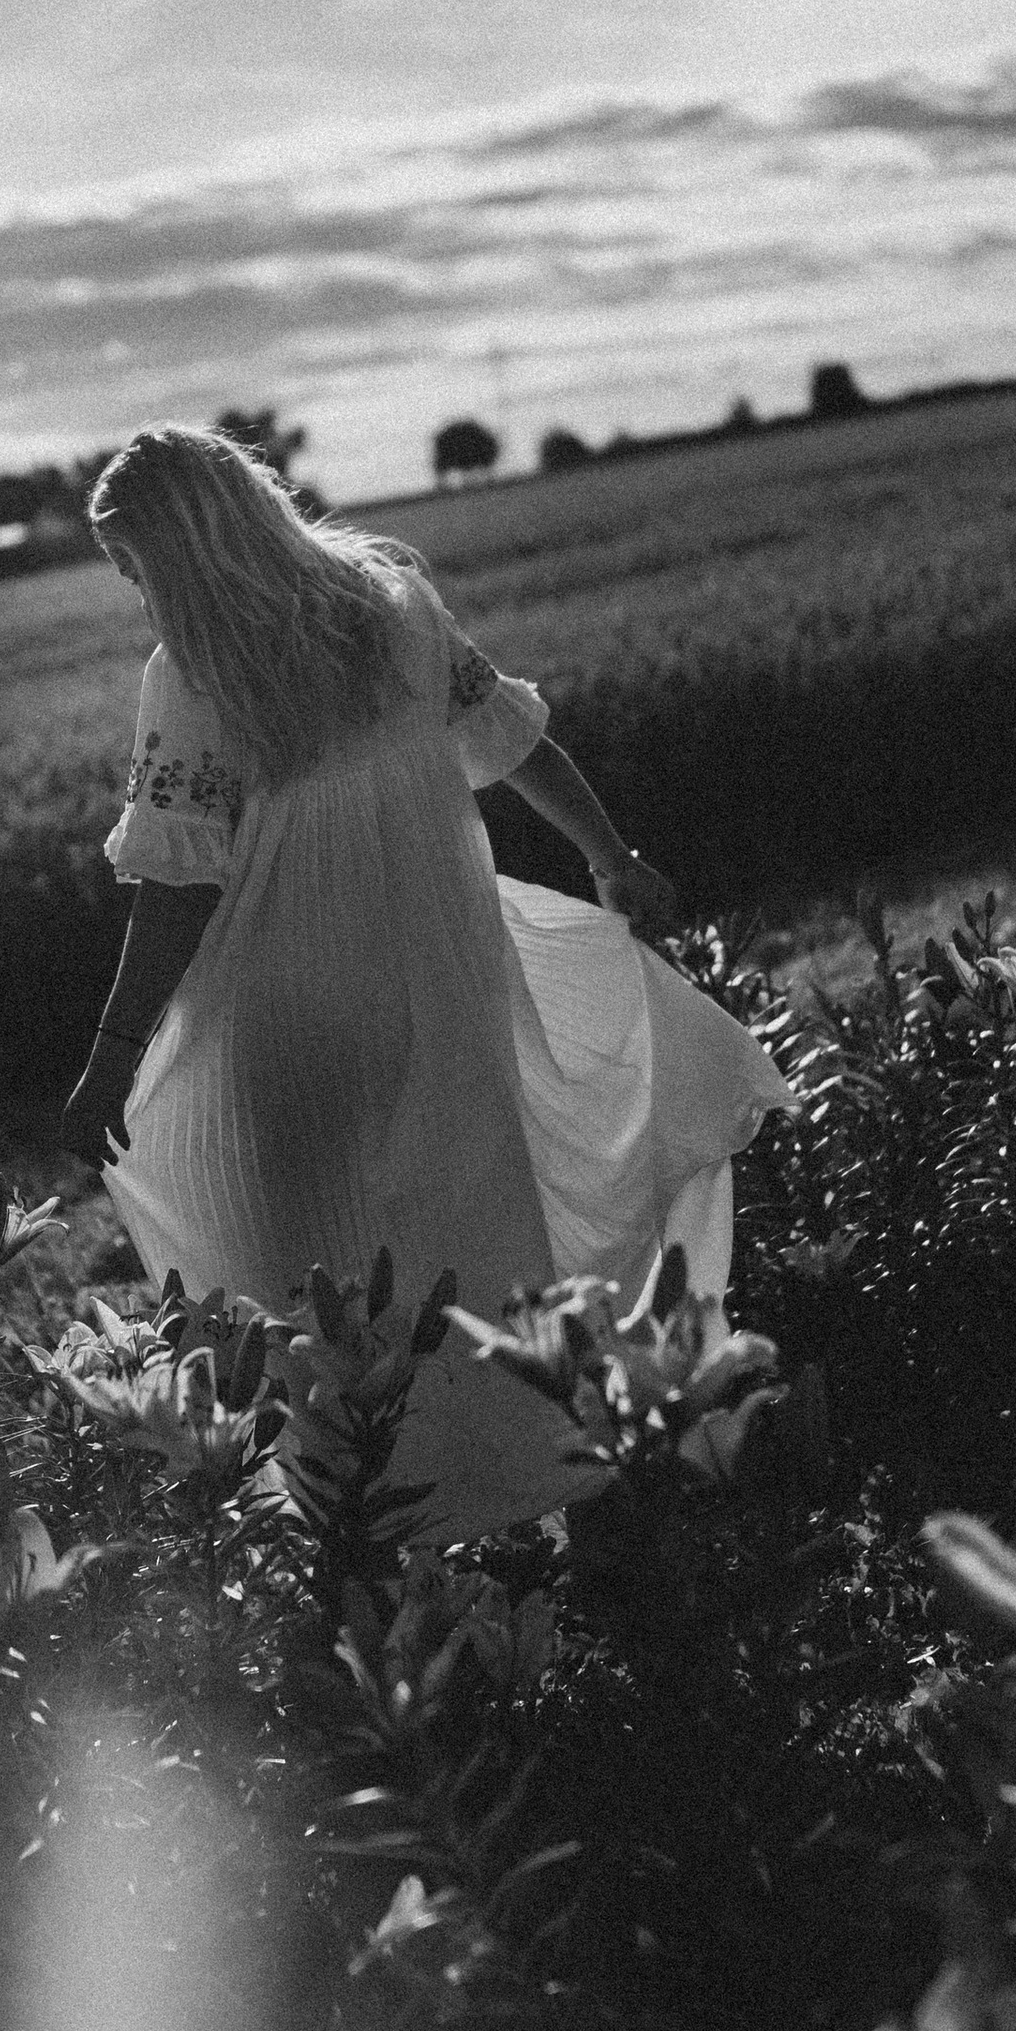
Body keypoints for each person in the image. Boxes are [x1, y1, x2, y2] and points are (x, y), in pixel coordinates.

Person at [60, 424, 791, 1532]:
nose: (137, 597)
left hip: (283, 1016)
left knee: (315, 1274)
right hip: (443, 982)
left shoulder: (195, 673)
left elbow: (174, 888)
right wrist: (611, 856)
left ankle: (387, 1533)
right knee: (474, 1245)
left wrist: (115, 1055)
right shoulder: (392, 610)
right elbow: (515, 746)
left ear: (181, 556)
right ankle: (530, 1492)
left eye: (136, 571)